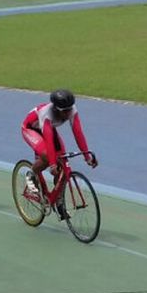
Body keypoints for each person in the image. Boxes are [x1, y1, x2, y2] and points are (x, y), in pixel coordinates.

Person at [21, 89, 98, 219]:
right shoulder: (47, 114)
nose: (68, 113)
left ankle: (58, 201)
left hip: (49, 129)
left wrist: (87, 156)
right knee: (47, 157)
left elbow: (78, 133)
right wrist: (51, 164)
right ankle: (31, 174)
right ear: (56, 109)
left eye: (69, 110)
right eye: (65, 111)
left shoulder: (71, 110)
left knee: (62, 163)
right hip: (31, 129)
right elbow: (49, 140)